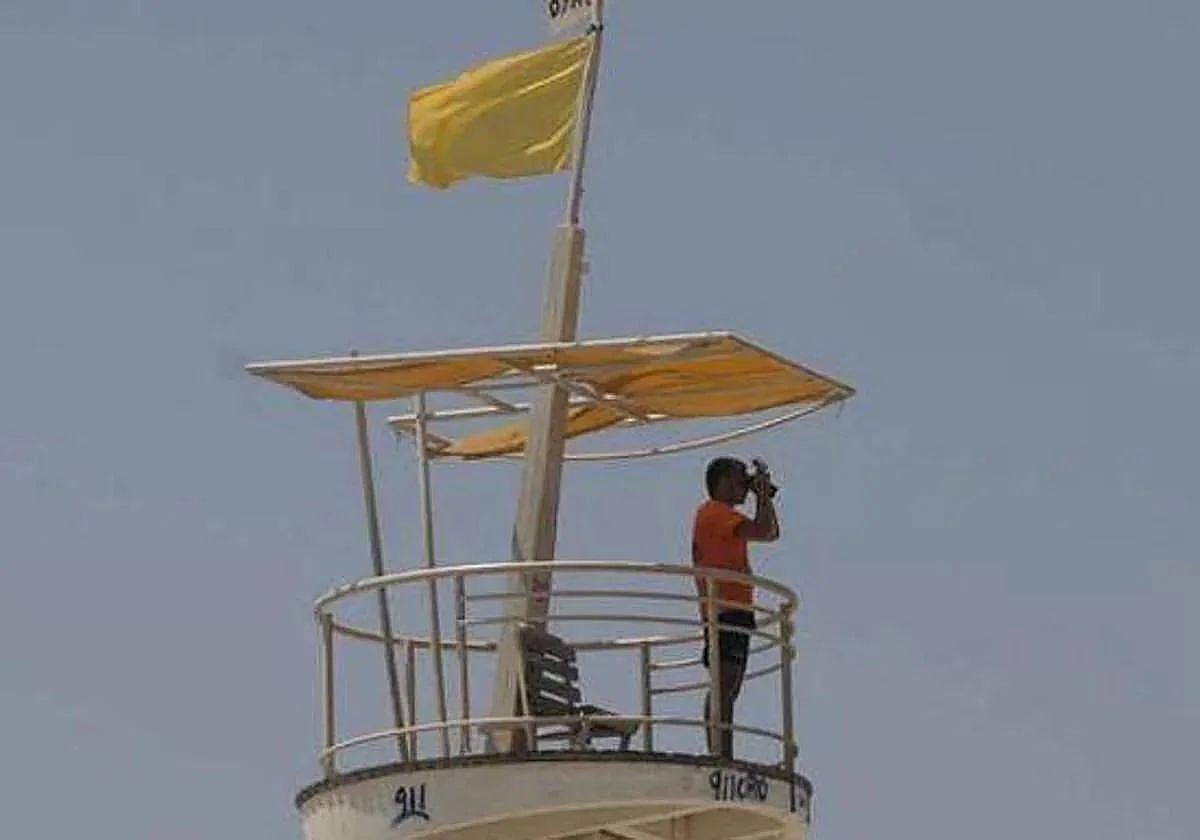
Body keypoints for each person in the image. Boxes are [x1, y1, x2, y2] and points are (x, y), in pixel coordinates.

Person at [691, 456, 780, 759]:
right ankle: (721, 754)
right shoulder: (715, 513)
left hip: (732, 609)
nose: (744, 485)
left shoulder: (718, 515)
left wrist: (762, 494)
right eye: (741, 478)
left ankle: (720, 750)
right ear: (725, 480)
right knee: (724, 685)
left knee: (728, 686)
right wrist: (763, 494)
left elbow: (769, 532)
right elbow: (764, 530)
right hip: (725, 610)